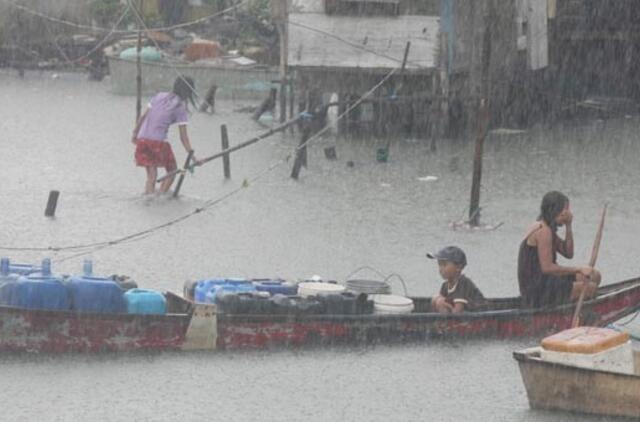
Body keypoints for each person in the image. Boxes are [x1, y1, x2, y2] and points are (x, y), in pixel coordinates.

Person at [517, 191, 602, 308]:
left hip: (548, 281)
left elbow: (568, 253)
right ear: (555, 211)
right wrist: (579, 269)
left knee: (594, 275)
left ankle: (570, 302)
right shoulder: (543, 231)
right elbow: (547, 268)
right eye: (565, 210)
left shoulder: (549, 229)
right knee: (590, 289)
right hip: (538, 290)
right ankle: (571, 313)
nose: (568, 214)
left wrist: (568, 226)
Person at [131, 76, 199, 195]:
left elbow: (143, 117)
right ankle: (161, 196)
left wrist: (135, 133)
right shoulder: (180, 107)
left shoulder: (159, 96)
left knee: (151, 176)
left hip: (143, 140)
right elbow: (183, 137)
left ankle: (149, 198)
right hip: (158, 142)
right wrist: (193, 156)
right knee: (172, 171)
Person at [428, 246, 485, 313]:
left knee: (440, 301)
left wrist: (443, 306)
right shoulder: (445, 285)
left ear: (458, 267)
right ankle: (441, 322)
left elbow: (458, 311)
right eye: (439, 265)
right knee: (436, 299)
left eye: (444, 265)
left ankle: (447, 322)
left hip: (474, 314)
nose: (440, 269)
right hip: (463, 314)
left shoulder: (463, 282)